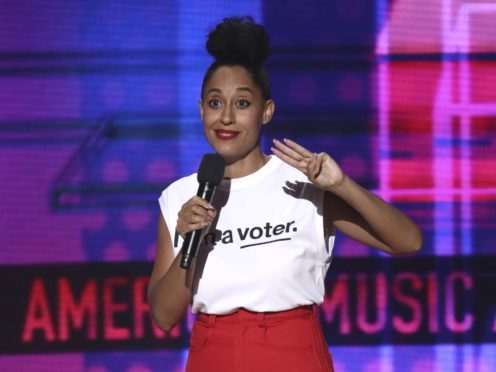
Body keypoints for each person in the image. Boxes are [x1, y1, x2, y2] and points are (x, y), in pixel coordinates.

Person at [148, 16, 422, 372]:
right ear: (201, 110)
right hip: (213, 354)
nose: (226, 117)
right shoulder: (181, 196)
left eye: (242, 104)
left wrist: (343, 186)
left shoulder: (305, 183)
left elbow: (408, 241)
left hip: (294, 353)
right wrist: (190, 241)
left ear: (266, 111)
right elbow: (164, 315)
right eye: (215, 103)